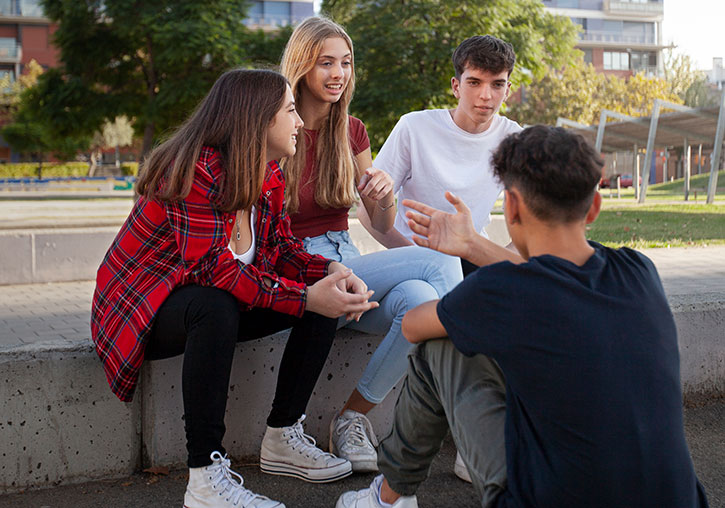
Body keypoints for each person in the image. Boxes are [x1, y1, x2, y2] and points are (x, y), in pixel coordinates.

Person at [336, 125, 709, 508]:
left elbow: (414, 326)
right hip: (680, 499)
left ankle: (388, 498)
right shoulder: (638, 271)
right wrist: (472, 245)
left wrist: (458, 274)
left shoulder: (501, 292)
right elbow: (553, 281)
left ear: (510, 208)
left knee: (439, 344)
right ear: (594, 206)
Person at [91, 69, 379, 508]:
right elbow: (213, 269)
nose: (300, 122)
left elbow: (282, 250)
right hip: (141, 311)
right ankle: (205, 480)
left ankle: (283, 436)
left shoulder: (266, 174)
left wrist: (332, 270)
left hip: (207, 299)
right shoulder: (190, 171)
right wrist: (304, 297)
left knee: (322, 292)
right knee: (216, 304)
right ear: (257, 121)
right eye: (289, 112)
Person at [278, 16, 463, 474]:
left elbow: (378, 220)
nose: (338, 73)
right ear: (301, 65)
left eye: (345, 62)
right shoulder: (276, 125)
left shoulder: (353, 131)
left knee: (421, 298)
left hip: (347, 258)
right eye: (325, 63)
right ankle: (471, 418)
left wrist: (383, 200)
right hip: (301, 271)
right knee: (441, 262)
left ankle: (352, 417)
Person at [358, 34, 522, 277]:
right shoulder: (414, 127)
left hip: (474, 259)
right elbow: (365, 212)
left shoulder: (514, 138)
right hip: (413, 258)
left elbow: (539, 221)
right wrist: (419, 261)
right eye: (474, 82)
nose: (486, 96)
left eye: (497, 84)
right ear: (456, 86)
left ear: (507, 90)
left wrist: (497, 265)